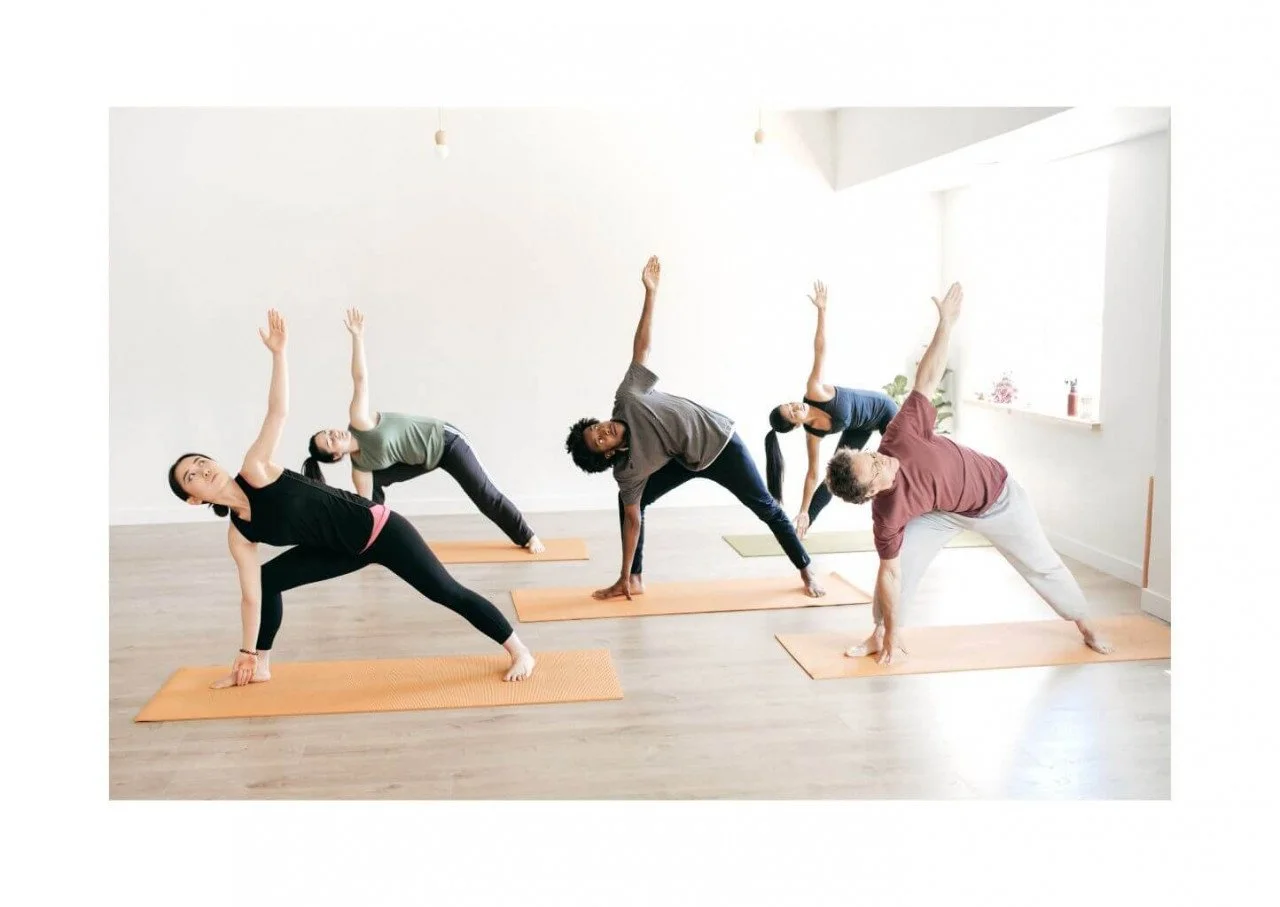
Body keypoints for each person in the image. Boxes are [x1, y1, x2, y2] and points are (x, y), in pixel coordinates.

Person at [167, 309, 536, 689]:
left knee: (445, 591)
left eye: (201, 462)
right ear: (193, 499)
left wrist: (279, 354)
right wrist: (245, 652)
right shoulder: (239, 535)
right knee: (266, 581)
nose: (202, 471)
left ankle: (519, 650)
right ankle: (261, 665)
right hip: (342, 550)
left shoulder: (255, 468)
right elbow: (250, 598)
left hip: (381, 531)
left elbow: (278, 412)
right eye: (191, 476)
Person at [823, 282, 1114, 664]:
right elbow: (890, 574)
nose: (882, 460)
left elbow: (926, 380)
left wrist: (945, 324)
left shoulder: (900, 436)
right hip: (944, 513)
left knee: (1041, 564)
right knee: (898, 566)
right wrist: (893, 629)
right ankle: (881, 634)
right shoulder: (887, 515)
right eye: (875, 469)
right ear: (870, 493)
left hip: (1000, 498)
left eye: (872, 456)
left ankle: (1087, 626)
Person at [564, 256, 826, 601]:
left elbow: (642, 348)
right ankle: (633, 579)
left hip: (720, 443)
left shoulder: (628, 397)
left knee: (766, 507)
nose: (604, 431)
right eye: (599, 441)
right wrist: (622, 575)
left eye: (597, 428)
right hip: (686, 459)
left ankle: (806, 570)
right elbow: (632, 519)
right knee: (631, 502)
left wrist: (651, 293)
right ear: (608, 454)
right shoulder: (628, 472)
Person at [303, 307, 545, 554]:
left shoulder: (359, 420)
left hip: (445, 443)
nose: (334, 434)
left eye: (329, 432)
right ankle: (378, 543)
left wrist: (357, 337)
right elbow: (367, 509)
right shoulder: (361, 470)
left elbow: (360, 380)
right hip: (423, 460)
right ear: (336, 456)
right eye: (330, 442)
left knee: (484, 495)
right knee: (370, 497)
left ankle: (527, 535)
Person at [763, 280, 899, 538]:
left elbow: (820, 350)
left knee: (898, 460)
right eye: (792, 413)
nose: (795, 406)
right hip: (860, 427)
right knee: (834, 476)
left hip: (884, 410)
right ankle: (803, 527)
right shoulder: (813, 435)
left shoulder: (814, 391)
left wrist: (822, 311)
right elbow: (813, 474)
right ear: (796, 425)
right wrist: (804, 510)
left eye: (790, 404)